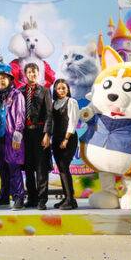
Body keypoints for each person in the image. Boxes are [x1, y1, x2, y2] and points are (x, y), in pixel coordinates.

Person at [0, 64, 27, 210]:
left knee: (14, 167)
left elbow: (20, 115)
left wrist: (17, 135)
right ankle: (4, 197)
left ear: (10, 79)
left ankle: (19, 197)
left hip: (12, 136)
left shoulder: (17, 95)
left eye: (3, 78)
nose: (0, 81)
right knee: (3, 168)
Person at [20, 62, 53, 210]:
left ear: (38, 73)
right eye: (29, 72)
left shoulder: (45, 91)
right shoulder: (20, 91)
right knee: (28, 168)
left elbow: (49, 114)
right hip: (25, 134)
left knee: (41, 167)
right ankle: (32, 198)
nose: (32, 74)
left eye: (34, 72)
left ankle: (42, 200)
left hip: (40, 133)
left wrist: (47, 134)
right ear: (25, 74)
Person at [51, 79, 79, 210]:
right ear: (55, 90)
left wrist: (66, 139)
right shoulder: (54, 103)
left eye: (64, 88)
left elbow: (73, 122)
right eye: (59, 88)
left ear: (68, 89)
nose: (61, 91)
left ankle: (70, 199)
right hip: (56, 139)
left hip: (68, 138)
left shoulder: (71, 102)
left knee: (64, 166)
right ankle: (68, 197)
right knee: (61, 169)